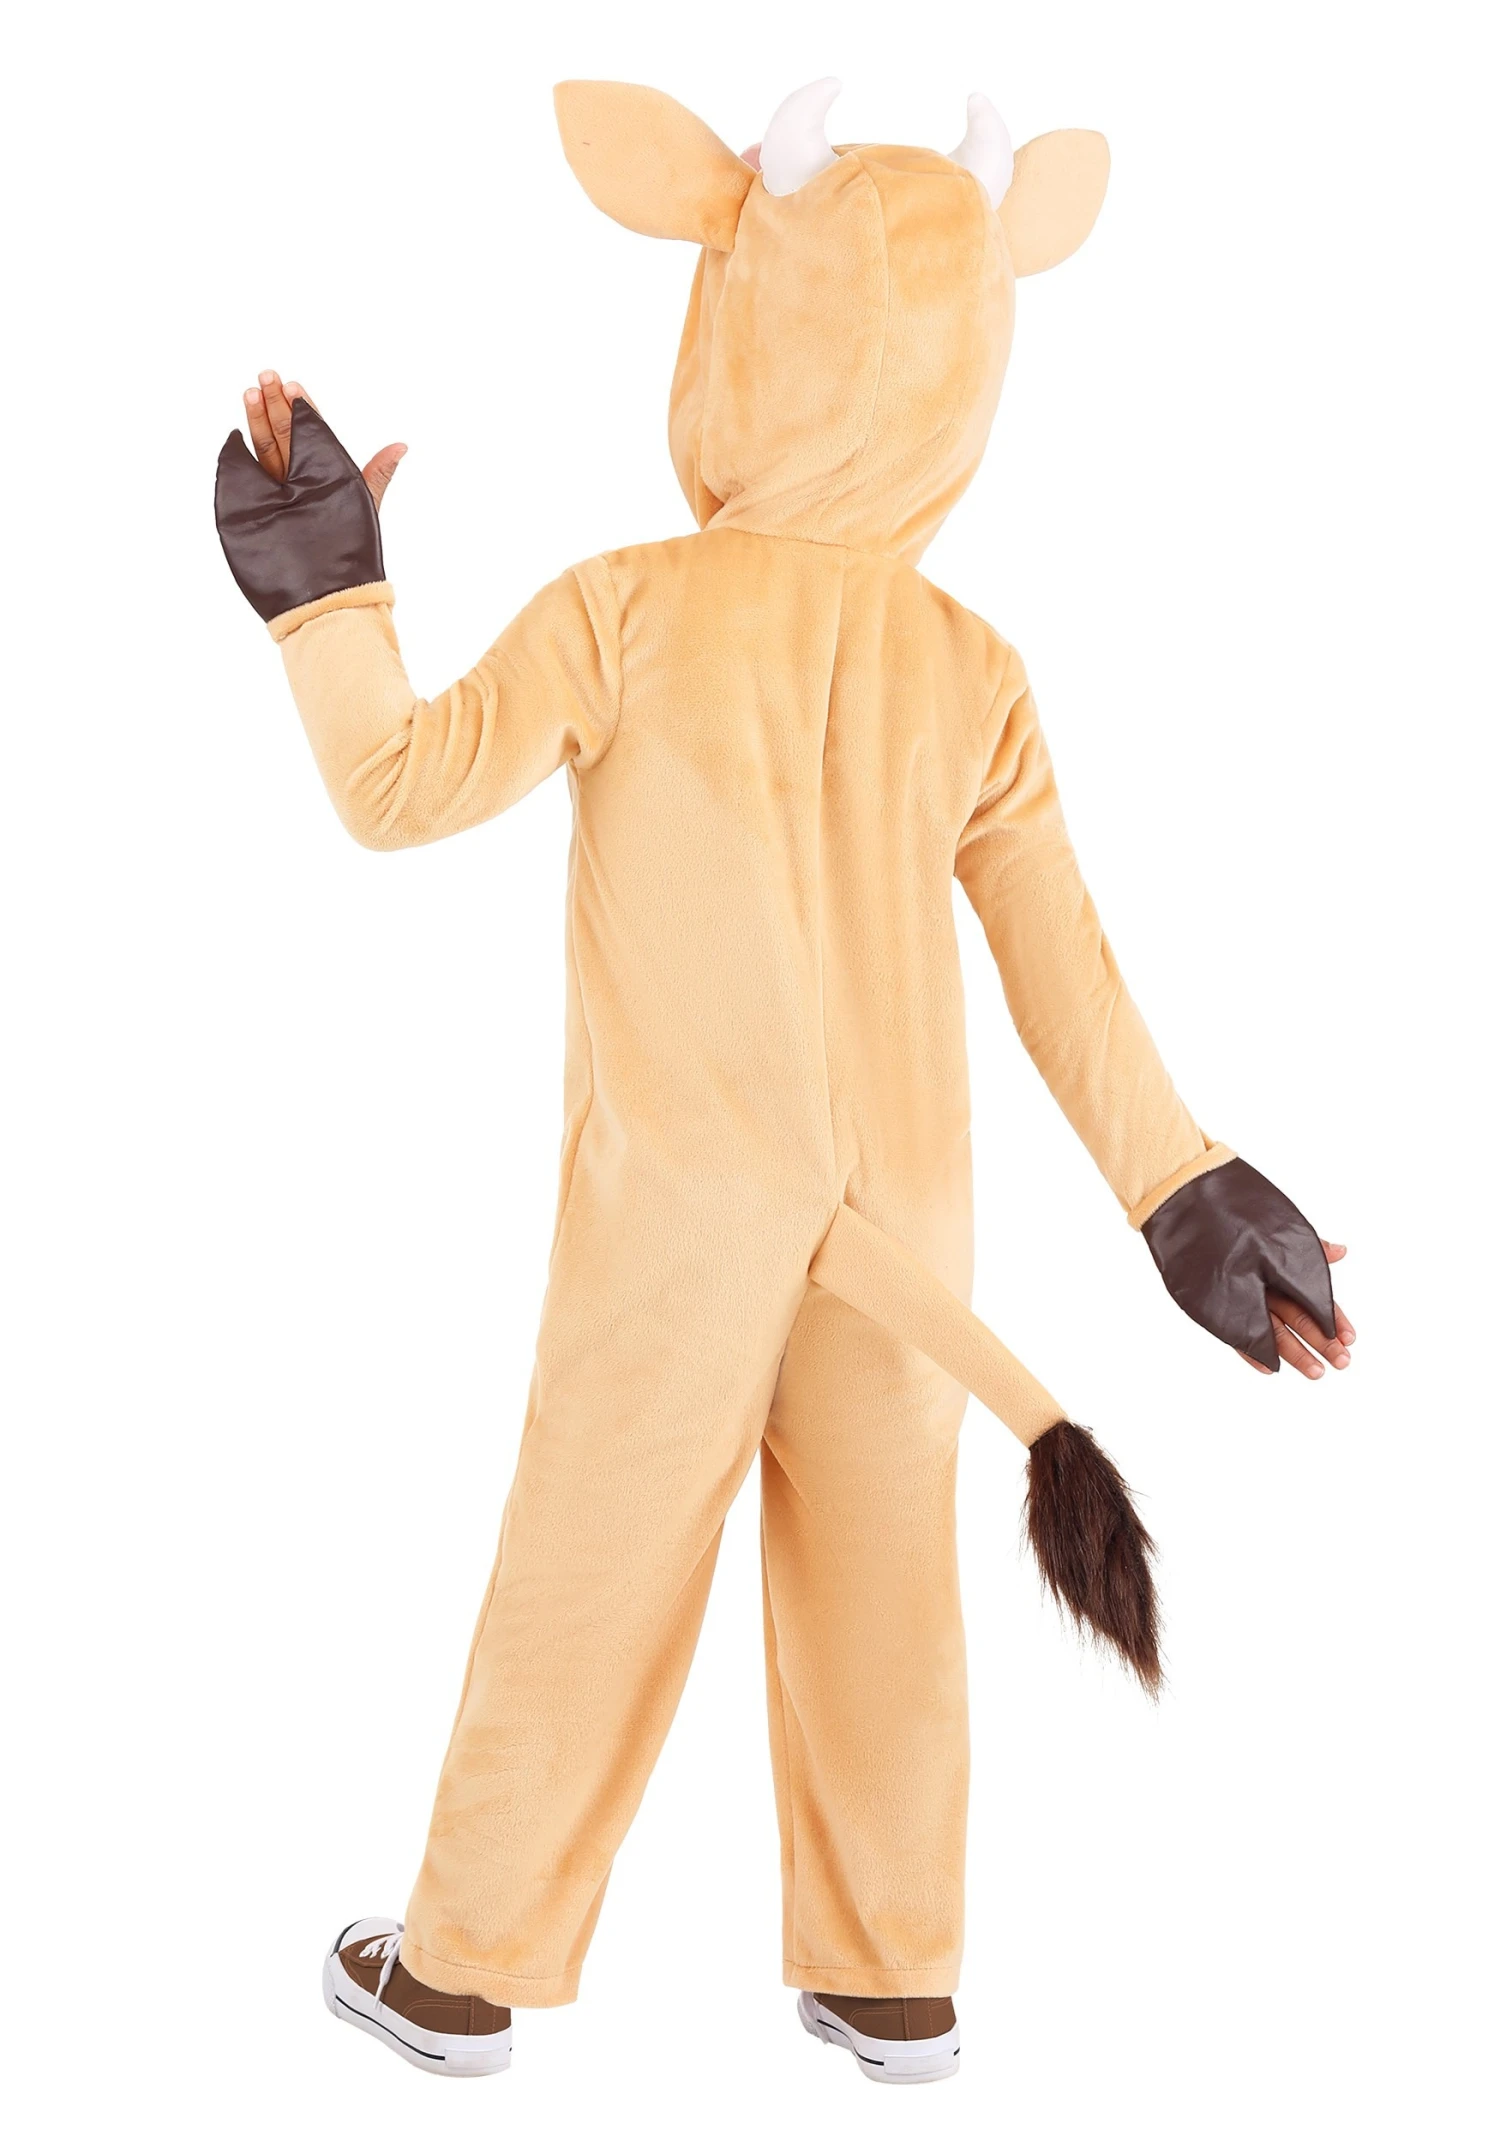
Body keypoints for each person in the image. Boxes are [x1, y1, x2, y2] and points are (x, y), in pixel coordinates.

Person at [216, 82, 1353, 2086]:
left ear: (737, 309)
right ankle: (894, 1974)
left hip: (686, 1211)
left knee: (594, 1557)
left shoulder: (632, 605)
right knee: (888, 1581)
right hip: (907, 1217)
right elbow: (1063, 967)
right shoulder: (972, 667)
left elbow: (401, 786)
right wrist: (1185, 1186)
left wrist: (329, 597)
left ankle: (461, 1967)